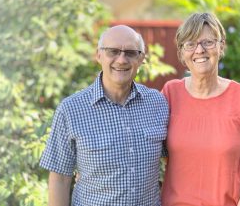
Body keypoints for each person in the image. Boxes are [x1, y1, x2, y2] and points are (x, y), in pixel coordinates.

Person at [39, 25, 169, 206]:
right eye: (113, 51)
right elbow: (60, 177)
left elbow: (173, 160)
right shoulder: (71, 110)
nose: (122, 60)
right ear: (99, 55)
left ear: (141, 59)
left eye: (130, 53)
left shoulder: (158, 104)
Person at [161, 12, 240, 206]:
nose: (199, 50)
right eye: (190, 44)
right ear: (182, 52)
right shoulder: (170, 93)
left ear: (221, 46)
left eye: (207, 42)